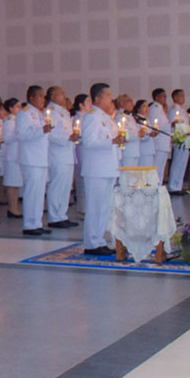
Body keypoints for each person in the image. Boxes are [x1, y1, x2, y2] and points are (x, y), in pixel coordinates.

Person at [79, 84, 125, 255]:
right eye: (108, 95)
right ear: (97, 98)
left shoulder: (106, 117)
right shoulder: (92, 117)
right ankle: (91, 243)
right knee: (95, 206)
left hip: (108, 167)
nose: (111, 98)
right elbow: (88, 142)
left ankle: (99, 240)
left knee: (104, 207)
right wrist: (112, 141)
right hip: (96, 169)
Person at [16, 85, 54, 237]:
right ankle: (29, 225)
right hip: (31, 159)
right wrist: (41, 130)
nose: (43, 99)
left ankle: (37, 222)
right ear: (31, 98)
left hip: (40, 158)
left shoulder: (39, 113)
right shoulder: (24, 113)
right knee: (32, 193)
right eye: (40, 96)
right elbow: (22, 135)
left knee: (39, 193)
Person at [44, 86, 79, 229]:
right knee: (57, 186)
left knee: (66, 187)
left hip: (67, 153)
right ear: (52, 96)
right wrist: (67, 138)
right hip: (57, 154)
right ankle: (54, 217)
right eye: (61, 93)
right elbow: (50, 135)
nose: (64, 96)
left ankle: (62, 215)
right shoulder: (50, 112)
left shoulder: (64, 112)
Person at [0, 99, 24, 219]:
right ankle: (12, 208)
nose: (20, 109)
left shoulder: (17, 120)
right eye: (17, 106)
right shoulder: (9, 121)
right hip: (12, 155)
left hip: (18, 154)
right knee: (12, 184)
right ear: (11, 109)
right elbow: (7, 138)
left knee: (16, 183)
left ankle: (15, 207)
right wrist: (18, 134)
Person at [167, 88, 190, 195]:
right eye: (181, 95)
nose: (183, 98)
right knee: (178, 162)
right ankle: (173, 186)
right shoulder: (174, 109)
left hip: (185, 139)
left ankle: (178, 185)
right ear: (175, 97)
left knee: (182, 163)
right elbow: (172, 123)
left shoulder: (182, 110)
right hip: (179, 139)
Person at [149, 88, 172, 183]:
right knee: (157, 167)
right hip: (159, 142)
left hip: (164, 142)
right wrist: (171, 125)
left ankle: (159, 185)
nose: (165, 98)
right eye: (163, 96)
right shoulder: (154, 108)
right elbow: (155, 125)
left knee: (161, 169)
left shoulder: (160, 108)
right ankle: (154, 186)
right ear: (157, 97)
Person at [116, 94, 141, 167]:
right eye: (130, 101)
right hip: (127, 151)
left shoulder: (130, 116)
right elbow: (124, 134)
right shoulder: (120, 116)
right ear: (122, 103)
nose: (132, 104)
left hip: (135, 150)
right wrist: (138, 134)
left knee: (133, 173)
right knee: (128, 173)